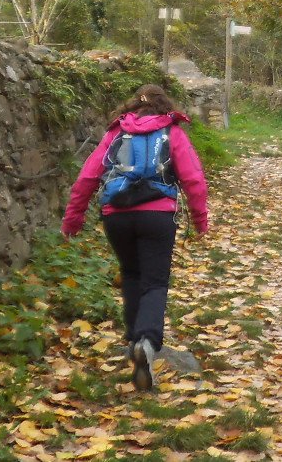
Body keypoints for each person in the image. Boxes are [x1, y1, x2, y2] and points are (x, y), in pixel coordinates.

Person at [61, 84, 210, 392]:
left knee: (131, 274)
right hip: (157, 215)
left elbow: (87, 177)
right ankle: (147, 340)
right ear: (164, 105)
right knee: (155, 281)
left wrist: (73, 220)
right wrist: (200, 221)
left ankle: (134, 341)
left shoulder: (116, 133)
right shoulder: (172, 132)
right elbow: (194, 179)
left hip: (117, 215)